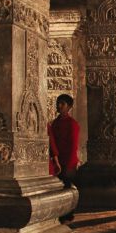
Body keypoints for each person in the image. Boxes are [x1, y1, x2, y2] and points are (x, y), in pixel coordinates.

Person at [48, 94, 80, 224]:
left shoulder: (72, 124)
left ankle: (68, 213)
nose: (59, 106)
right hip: (57, 161)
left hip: (68, 162)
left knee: (67, 187)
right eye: (58, 103)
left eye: (62, 104)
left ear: (69, 107)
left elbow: (73, 146)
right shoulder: (55, 123)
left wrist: (67, 164)